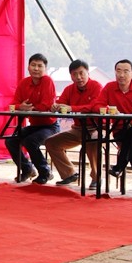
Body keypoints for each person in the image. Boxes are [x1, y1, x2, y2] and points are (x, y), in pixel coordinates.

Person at [97, 59, 132, 199]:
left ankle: (119, 166)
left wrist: (131, 122)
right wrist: (109, 110)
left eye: (126, 71)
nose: (121, 75)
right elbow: (98, 105)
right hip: (120, 131)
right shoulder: (109, 87)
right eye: (118, 71)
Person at [44, 59, 102, 188]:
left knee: (93, 140)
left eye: (81, 73)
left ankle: (96, 177)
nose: (79, 77)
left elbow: (94, 107)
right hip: (78, 128)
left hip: (96, 127)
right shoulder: (69, 89)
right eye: (75, 74)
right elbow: (62, 103)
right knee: (51, 143)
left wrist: (72, 108)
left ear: (88, 73)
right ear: (71, 76)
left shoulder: (96, 87)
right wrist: (56, 106)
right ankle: (69, 174)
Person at [5, 53, 59, 185]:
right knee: (10, 141)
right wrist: (20, 106)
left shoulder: (47, 81)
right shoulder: (24, 83)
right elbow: (13, 104)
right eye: (33, 65)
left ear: (45, 69)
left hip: (50, 126)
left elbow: (46, 106)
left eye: (40, 66)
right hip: (34, 125)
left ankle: (45, 172)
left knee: (30, 141)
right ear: (28, 67)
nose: (36, 68)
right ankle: (27, 169)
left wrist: (28, 108)